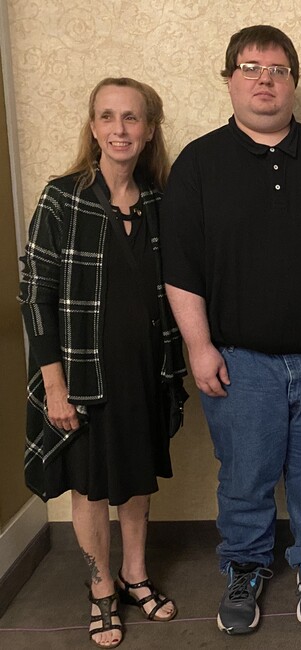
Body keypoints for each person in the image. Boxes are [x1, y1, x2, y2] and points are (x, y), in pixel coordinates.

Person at [160, 25, 301, 635]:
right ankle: (246, 568)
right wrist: (199, 348)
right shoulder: (199, 162)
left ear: (294, 83)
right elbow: (180, 268)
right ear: (229, 78)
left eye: (278, 69)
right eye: (251, 67)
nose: (264, 79)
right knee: (245, 476)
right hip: (239, 359)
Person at [19, 77, 187, 649]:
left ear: (149, 129)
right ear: (93, 128)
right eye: (108, 117)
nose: (120, 129)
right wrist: (54, 384)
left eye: (132, 118)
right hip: (82, 377)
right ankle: (100, 591)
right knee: (90, 488)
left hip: (147, 370)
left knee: (136, 478)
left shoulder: (160, 201)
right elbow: (33, 293)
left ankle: (134, 574)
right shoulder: (62, 196)